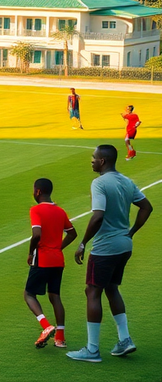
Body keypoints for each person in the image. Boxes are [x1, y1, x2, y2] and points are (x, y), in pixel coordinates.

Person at [67, 144, 153, 363]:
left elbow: (97, 216)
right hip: (124, 245)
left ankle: (92, 350)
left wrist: (83, 243)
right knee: (112, 288)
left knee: (92, 292)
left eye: (94, 158)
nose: (92, 161)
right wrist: (131, 232)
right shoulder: (126, 181)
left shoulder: (99, 183)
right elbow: (146, 207)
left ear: (102, 161)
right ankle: (125, 339)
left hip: (105, 248)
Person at [25, 178, 77, 349]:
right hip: (57, 260)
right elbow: (72, 233)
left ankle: (46, 326)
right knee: (55, 296)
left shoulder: (36, 210)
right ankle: (60, 338)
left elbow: (37, 234)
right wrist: (58, 247)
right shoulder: (60, 211)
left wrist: (31, 252)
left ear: (38, 192)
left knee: (29, 294)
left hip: (43, 259)